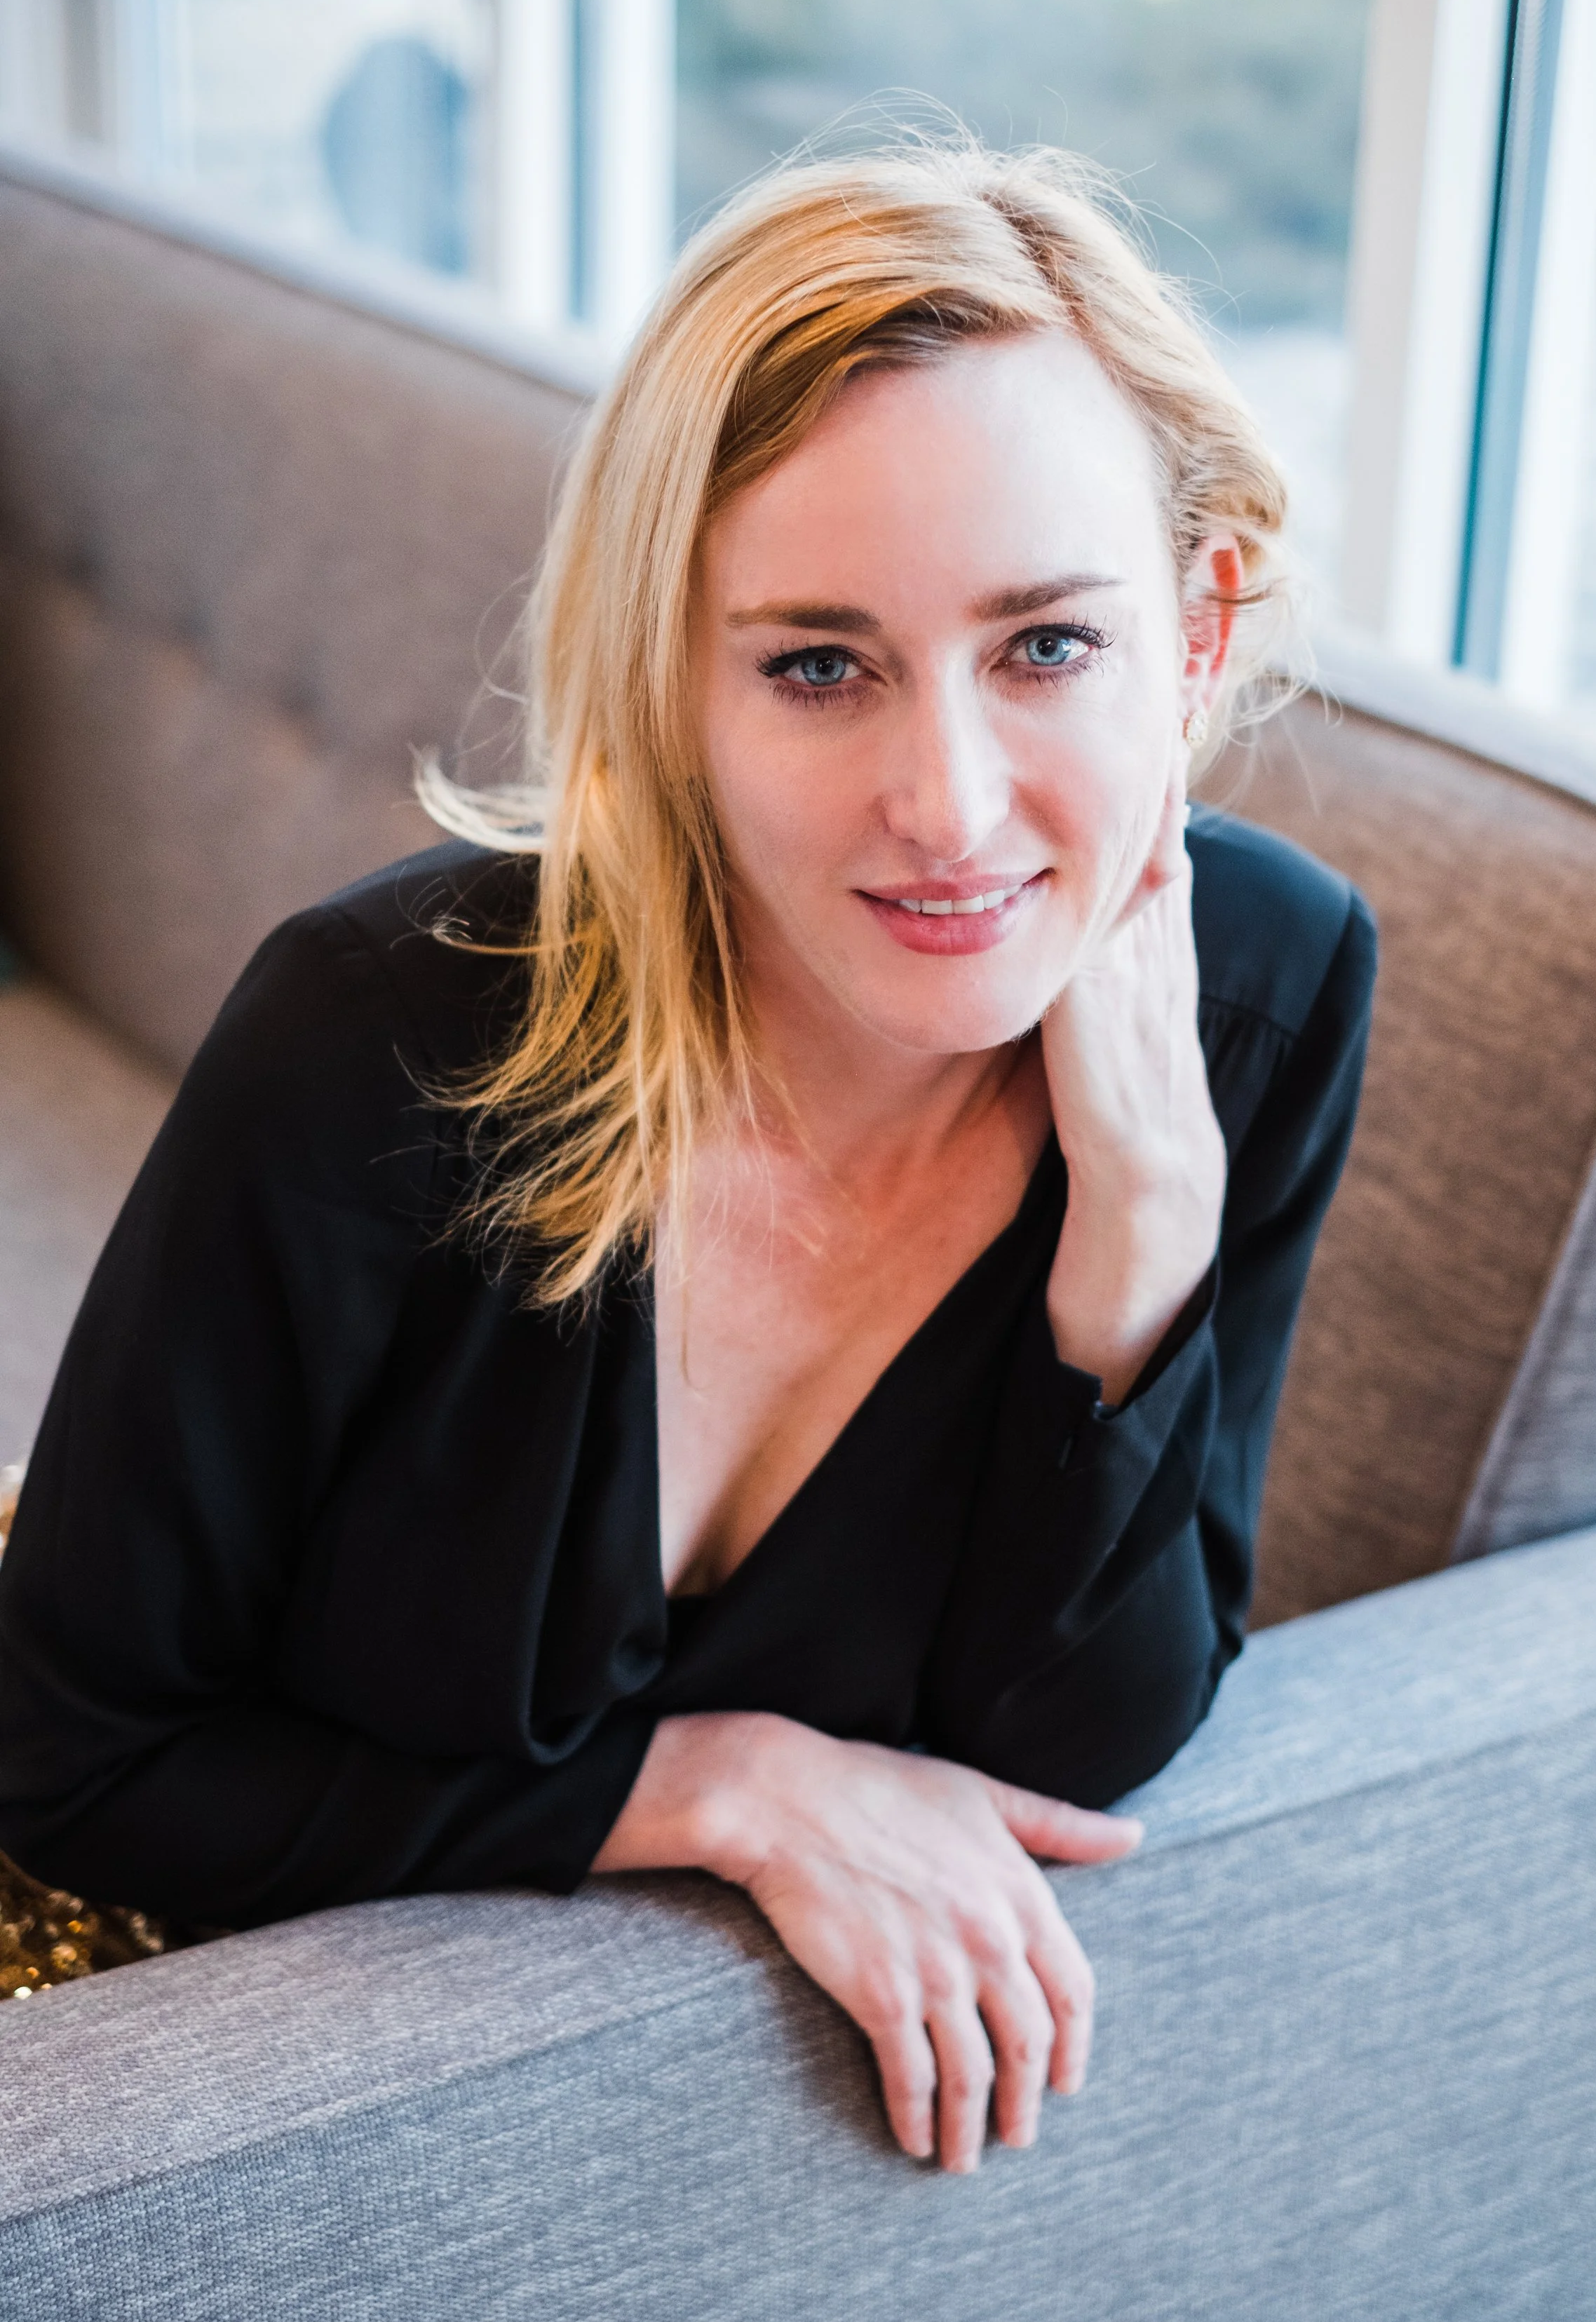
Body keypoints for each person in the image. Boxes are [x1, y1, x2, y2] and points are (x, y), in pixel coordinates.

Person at [0, 145, 1373, 2172]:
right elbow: (72, 1763)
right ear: (674, 684)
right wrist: (716, 1785)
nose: (951, 803)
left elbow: (1082, 1741)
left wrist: (1143, 1231)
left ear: (1195, 622)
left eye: (1047, 645)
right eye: (817, 663)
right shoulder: (375, 1038)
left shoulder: (1256, 989)